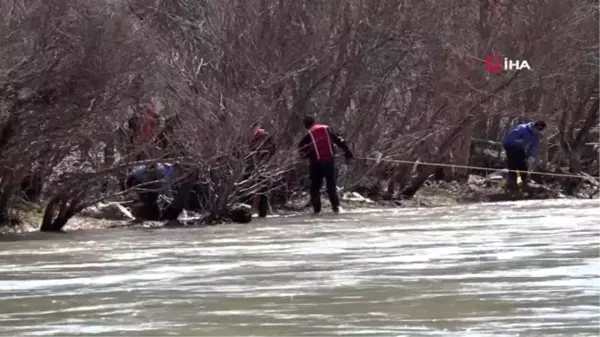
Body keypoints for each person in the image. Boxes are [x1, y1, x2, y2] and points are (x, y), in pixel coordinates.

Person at [298, 115, 353, 214]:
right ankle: (336, 208)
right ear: (314, 122)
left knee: (315, 187)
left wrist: (307, 156)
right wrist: (347, 152)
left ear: (305, 126)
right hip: (328, 161)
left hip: (315, 163)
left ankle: (317, 210)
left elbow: (301, 149)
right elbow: (340, 140)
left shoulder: (308, 135)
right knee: (330, 184)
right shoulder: (327, 129)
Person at [502, 120, 546, 194]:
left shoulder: (536, 136)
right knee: (514, 165)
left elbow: (534, 147)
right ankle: (512, 184)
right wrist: (518, 141)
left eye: (540, 130)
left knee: (524, 166)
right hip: (511, 147)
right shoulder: (522, 129)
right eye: (537, 129)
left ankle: (523, 183)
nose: (538, 131)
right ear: (534, 127)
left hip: (520, 149)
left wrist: (531, 157)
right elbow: (509, 140)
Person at [244, 123, 276, 217]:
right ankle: (261, 212)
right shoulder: (264, 136)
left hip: (260, 166)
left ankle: (260, 212)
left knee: (262, 190)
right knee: (262, 190)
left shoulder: (259, 137)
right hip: (262, 165)